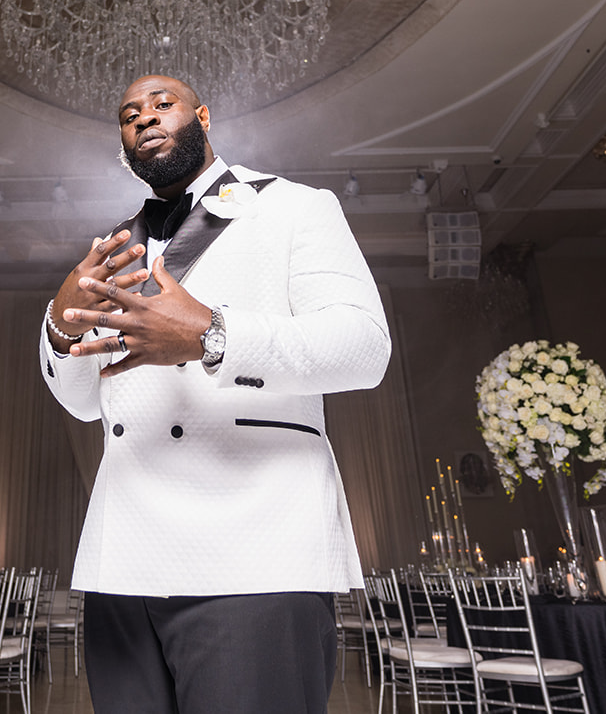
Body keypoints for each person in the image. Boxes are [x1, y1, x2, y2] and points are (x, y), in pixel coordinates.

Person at [39, 74, 390, 714]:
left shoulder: (294, 207)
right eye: (128, 114)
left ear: (202, 116)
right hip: (123, 559)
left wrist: (213, 336)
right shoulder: (115, 249)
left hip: (256, 554)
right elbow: (86, 402)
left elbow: (365, 347)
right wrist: (59, 330)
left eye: (161, 104)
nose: (143, 117)